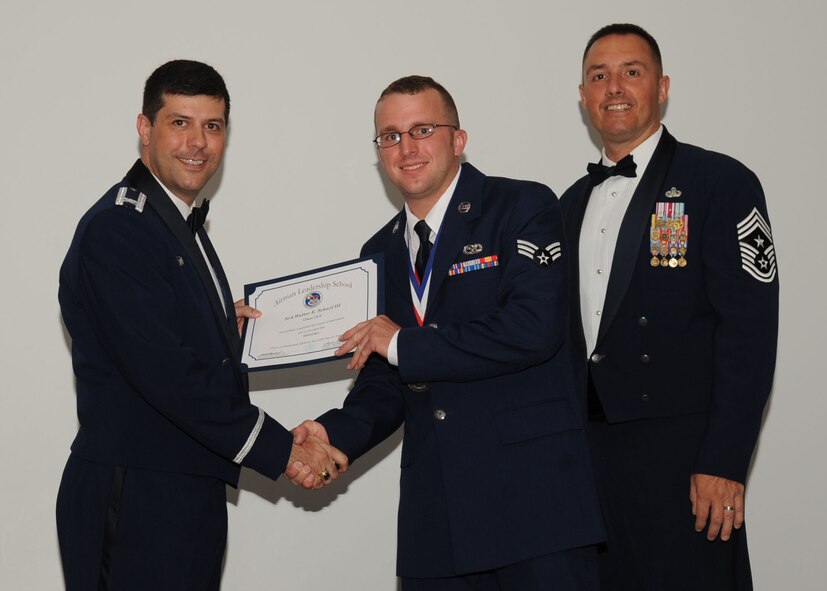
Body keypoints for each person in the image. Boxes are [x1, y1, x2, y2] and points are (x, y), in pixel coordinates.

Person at [290, 75, 604, 590]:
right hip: (437, 517)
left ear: (458, 140)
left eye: (422, 130)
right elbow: (385, 378)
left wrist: (402, 343)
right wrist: (334, 435)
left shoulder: (522, 207)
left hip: (535, 507)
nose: (406, 148)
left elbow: (533, 328)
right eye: (390, 136)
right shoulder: (378, 253)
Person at [57, 59, 347, 590]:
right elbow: (166, 374)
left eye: (212, 126)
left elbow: (161, 334)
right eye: (180, 122)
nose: (197, 142)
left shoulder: (172, 221)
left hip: (183, 490)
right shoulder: (120, 228)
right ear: (145, 129)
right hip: (137, 497)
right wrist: (283, 450)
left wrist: (216, 328)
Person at [560, 24, 779, 590]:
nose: (614, 87)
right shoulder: (568, 204)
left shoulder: (720, 182)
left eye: (631, 72)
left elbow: (749, 335)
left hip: (686, 459)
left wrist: (724, 461)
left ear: (661, 88)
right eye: (599, 76)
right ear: (583, 96)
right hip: (592, 460)